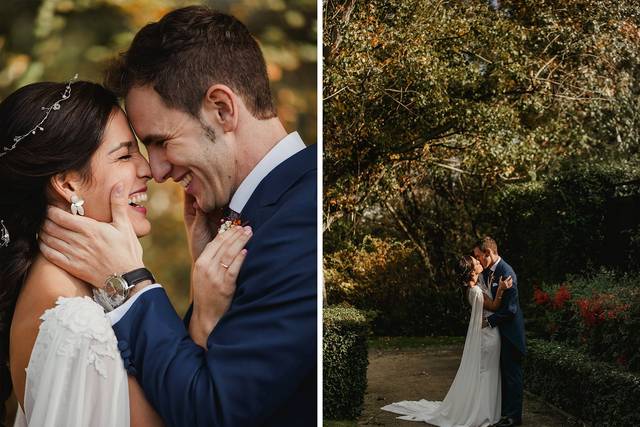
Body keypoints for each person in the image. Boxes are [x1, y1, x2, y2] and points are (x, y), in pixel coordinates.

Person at [39, 6, 317, 427]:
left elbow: (215, 411)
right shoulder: (265, 213)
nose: (157, 170)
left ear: (222, 109)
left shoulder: (301, 223)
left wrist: (130, 284)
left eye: (161, 141)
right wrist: (202, 309)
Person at [0, 79, 248, 426]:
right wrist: (205, 318)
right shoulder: (77, 324)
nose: (147, 168)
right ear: (68, 182)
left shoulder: (85, 293)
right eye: (125, 154)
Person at [382, 255, 512, 427]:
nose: (480, 262)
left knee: (487, 372)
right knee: (486, 372)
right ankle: (483, 412)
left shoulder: (474, 287)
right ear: (472, 271)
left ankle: (486, 410)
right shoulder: (475, 291)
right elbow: (494, 306)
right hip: (487, 336)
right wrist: (502, 289)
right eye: (476, 262)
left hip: (488, 334)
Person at [475, 237, 526, 427]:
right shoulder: (489, 271)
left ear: (488, 253)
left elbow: (511, 310)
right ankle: (504, 413)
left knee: (513, 377)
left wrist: (488, 321)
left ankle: (514, 418)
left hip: (511, 335)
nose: (478, 260)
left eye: (479, 256)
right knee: (503, 376)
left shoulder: (506, 272)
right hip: (499, 335)